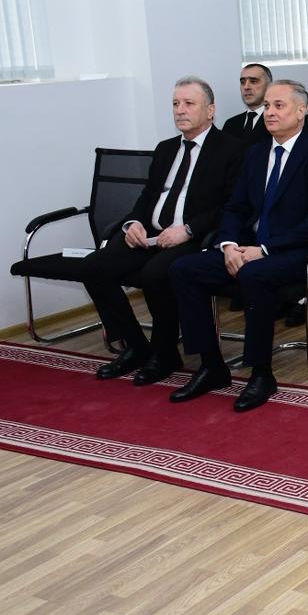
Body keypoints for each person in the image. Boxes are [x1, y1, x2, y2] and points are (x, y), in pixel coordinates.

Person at [168, 80, 308, 412]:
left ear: (301, 111)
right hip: (249, 248)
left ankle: (261, 373)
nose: (270, 113)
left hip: (298, 252)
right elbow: (235, 208)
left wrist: (264, 250)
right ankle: (211, 366)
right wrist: (228, 244)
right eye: (267, 106)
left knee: (254, 275)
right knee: (184, 269)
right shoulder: (256, 153)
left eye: (279, 106)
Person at [87, 76, 245, 386]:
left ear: (210, 110)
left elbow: (231, 205)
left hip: (195, 237)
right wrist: (133, 222)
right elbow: (147, 197)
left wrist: (188, 229)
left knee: (155, 273)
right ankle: (136, 346)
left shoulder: (231, 149)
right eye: (175, 104)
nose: (180, 110)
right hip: (151, 234)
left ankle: (165, 353)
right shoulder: (165, 149)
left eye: (189, 103)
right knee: (94, 267)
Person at [223, 63, 273, 142]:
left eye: (253, 81)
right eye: (243, 82)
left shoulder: (276, 120)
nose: (246, 87)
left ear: (269, 86)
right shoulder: (231, 124)